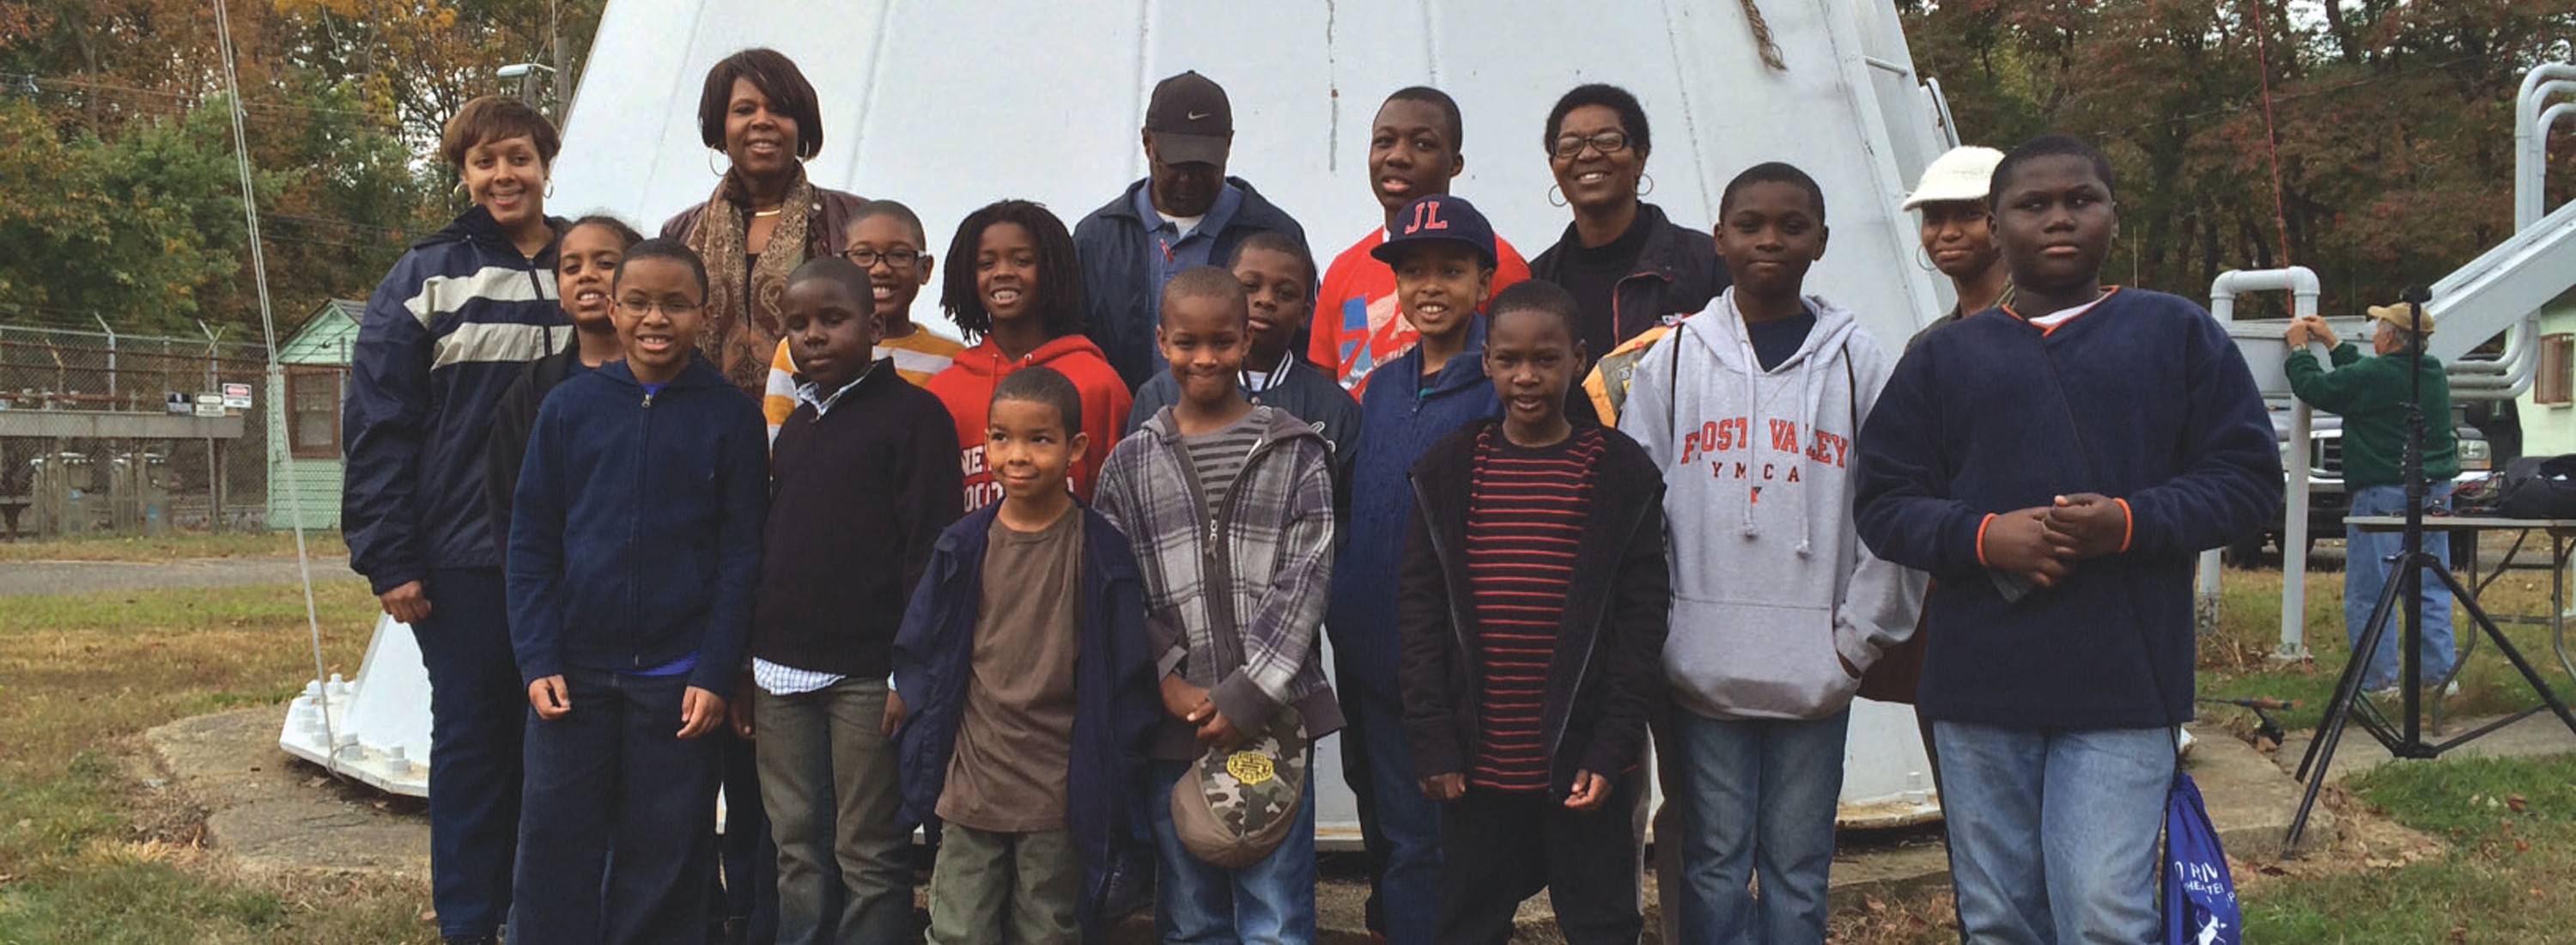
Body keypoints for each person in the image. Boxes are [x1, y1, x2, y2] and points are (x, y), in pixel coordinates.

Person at [1854, 135, 2281, 944]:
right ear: (1996, 225)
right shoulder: (1941, 357)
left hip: (2123, 683)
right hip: (1977, 687)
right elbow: (1882, 502)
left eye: (2080, 200)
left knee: (2103, 913)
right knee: (2000, 918)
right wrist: (1985, 537)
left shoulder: (2175, 333)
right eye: (2033, 204)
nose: (2059, 219)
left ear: (2114, 216)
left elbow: (2249, 483)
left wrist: (2128, 522)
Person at [1619, 163, 1924, 945]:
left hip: (1817, 666)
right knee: (1713, 864)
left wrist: (1856, 641)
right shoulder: (1675, 359)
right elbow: (1634, 510)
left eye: (1792, 226)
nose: (1770, 240)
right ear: (1718, 238)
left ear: (1821, 241)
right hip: (1701, 666)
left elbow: (1893, 510)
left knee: (1798, 866)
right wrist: (1666, 632)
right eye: (1750, 224)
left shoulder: (1858, 362)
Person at [339, 94, 565, 945]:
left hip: (572, 553)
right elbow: (379, 422)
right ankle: (472, 922)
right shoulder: (425, 275)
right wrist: (389, 554)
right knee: (475, 741)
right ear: (464, 174)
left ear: (546, 163)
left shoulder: (590, 260)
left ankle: (543, 915)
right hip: (466, 554)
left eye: (519, 157)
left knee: (558, 744)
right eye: (485, 161)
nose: (504, 175)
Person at [505, 239, 769, 944]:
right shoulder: (568, 409)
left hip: (677, 683)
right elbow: (531, 544)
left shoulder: (733, 418)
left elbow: (741, 556)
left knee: (667, 853)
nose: (656, 319)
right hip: (574, 677)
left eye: (676, 304)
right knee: (555, 844)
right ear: (613, 309)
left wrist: (715, 670)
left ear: (705, 313)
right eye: (640, 303)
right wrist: (538, 657)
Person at [1398, 281, 1671, 945]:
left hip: (1582, 762)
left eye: (1546, 359)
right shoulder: (1450, 470)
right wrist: (1434, 739)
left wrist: (1611, 746)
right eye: (1510, 359)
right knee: (1468, 922)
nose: (1526, 377)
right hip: (1476, 764)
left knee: (1602, 923)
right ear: (1486, 361)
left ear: (1578, 359)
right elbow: (1420, 615)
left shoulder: (1619, 473)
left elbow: (1640, 624)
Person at [1096, 266, 1342, 945]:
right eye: (1187, 342)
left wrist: (1249, 694)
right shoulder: (1128, 465)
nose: (1204, 358)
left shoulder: (1295, 452)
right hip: (1176, 724)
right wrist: (1166, 679)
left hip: (1273, 723)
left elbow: (1307, 579)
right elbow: (1116, 588)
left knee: (1277, 917)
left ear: (1245, 339)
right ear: (1162, 342)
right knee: (1189, 914)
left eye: (1222, 342)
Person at [892, 367, 1158, 945]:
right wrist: (910, 713)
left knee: (1048, 930)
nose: (1017, 456)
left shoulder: (1101, 551)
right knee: (960, 928)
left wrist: (1116, 766)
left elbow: (1126, 674)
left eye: (1039, 439)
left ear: (1075, 448)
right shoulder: (962, 546)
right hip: (973, 779)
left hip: (1059, 787)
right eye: (1001, 438)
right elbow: (923, 652)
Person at [744, 257, 964, 944]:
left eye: (832, 320)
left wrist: (908, 671)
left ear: (873, 326)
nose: (813, 335)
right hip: (779, 670)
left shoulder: (916, 418)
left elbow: (930, 551)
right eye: (798, 323)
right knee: (795, 843)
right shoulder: (797, 424)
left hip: (869, 675)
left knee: (867, 849)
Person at [1327, 193, 1506, 945]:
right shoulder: (1385, 384)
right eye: (1413, 271)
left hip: (1453, 672)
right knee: (1402, 841)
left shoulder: (1501, 385)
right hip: (1373, 661)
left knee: (1454, 850)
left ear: (1484, 281)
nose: (1430, 286)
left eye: (1451, 270)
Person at [1074, 70, 1309, 389]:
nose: (1188, 178)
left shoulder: (1275, 236)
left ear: (1228, 146)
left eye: (1203, 165)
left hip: (1247, 419)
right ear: (1147, 143)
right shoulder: (1098, 239)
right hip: (1126, 418)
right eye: (1176, 164)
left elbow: (1305, 349)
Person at [661, 47, 868, 398]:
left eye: (779, 110)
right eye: (744, 110)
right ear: (720, 127)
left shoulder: (852, 220)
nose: (762, 121)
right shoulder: (681, 233)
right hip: (707, 419)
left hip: (825, 419)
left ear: (800, 126)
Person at [1309, 87, 1534, 399]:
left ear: (1455, 164)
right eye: (1384, 141)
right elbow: (1325, 388)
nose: (1397, 156)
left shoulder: (1495, 260)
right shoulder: (1343, 269)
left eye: (1423, 144)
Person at [2286, 303, 2460, 698]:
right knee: (2429, 588)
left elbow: (2317, 388)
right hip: (2434, 493)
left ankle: (2379, 683)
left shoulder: (2377, 376)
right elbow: (2365, 377)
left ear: (2390, 337)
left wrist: (2299, 351)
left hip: (2384, 493)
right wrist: (2333, 343)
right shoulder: (2431, 372)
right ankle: (2439, 680)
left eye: (2379, 328)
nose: (2374, 334)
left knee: (2371, 593)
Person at [1126, 232, 1360, 507]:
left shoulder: (1335, 408)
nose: (1266, 300)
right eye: (1250, 287)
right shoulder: (1159, 393)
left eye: (1285, 293)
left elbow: (1347, 514)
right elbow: (1133, 495)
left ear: (1304, 314)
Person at [927, 199, 1133, 511]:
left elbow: (1122, 502)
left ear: (1051, 269)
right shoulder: (946, 390)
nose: (1003, 273)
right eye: (986, 264)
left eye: (1022, 261)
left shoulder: (1097, 382)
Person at [1528, 84, 1725, 382]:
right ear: (1553, 165)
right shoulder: (1537, 282)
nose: (1588, 154)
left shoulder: (1708, 263)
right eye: (1569, 145)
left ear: (1640, 157)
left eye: (1608, 141)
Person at [486, 215, 644, 547]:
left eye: (605, 263)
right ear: (559, 293)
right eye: (571, 268)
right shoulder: (534, 391)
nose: (587, 275)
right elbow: (509, 506)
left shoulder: (679, 381)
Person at [759, 199, 968, 439]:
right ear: (842, 264)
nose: (880, 269)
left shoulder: (951, 358)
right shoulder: (797, 351)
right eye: (864, 254)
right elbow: (775, 443)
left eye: (899, 255)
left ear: (925, 269)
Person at [1902, 145, 2014, 347]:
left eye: (1970, 214)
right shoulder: (1927, 345)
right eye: (1934, 218)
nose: (1948, 233)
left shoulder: (2044, 317)